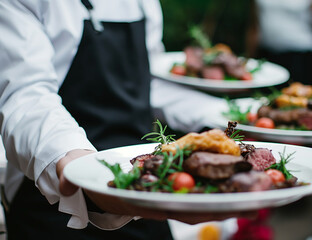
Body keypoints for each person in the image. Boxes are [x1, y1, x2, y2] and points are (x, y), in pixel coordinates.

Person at [0, 0, 256, 239]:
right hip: (50, 196)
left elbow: (149, 83)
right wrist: (70, 157)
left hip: (145, 185)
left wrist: (233, 115)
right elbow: (25, 94)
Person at [249, 0, 312, 95]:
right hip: (267, 59)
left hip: (300, 60)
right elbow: (254, 25)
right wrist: (249, 64)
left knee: (299, 105)